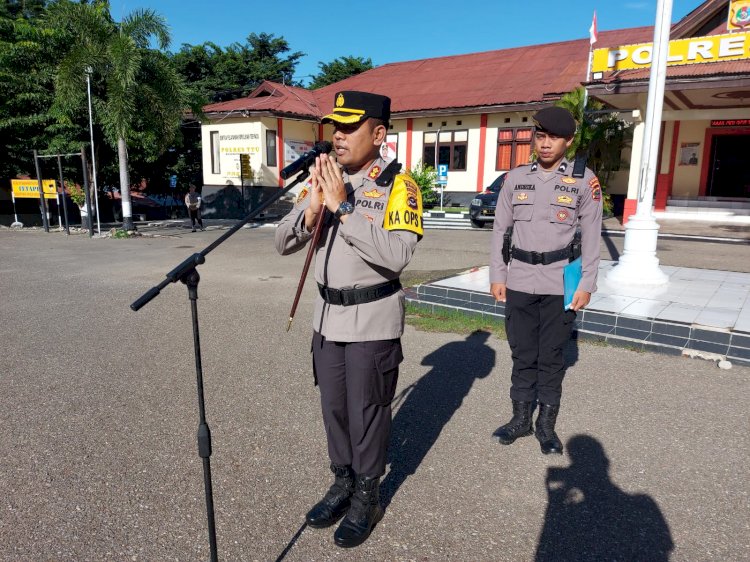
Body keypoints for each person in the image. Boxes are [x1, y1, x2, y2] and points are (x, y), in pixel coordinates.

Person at [275, 90, 423, 548]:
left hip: (371, 320)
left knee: (367, 414)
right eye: (335, 127)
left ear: (378, 134)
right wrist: (315, 207)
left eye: (349, 128)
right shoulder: (324, 180)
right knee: (334, 411)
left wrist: (344, 208)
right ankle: (342, 481)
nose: (337, 137)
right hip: (327, 318)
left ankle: (367, 496)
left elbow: (397, 255)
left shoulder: (401, 186)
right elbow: (282, 242)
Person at [489, 106, 602, 455]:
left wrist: (586, 284)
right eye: (541, 136)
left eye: (554, 137)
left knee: (552, 357)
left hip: (559, 284)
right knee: (522, 353)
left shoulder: (585, 181)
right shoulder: (515, 178)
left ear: (568, 141)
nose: (546, 143)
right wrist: (498, 274)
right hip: (520, 279)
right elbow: (500, 230)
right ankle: (520, 420)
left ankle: (545, 427)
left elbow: (592, 235)